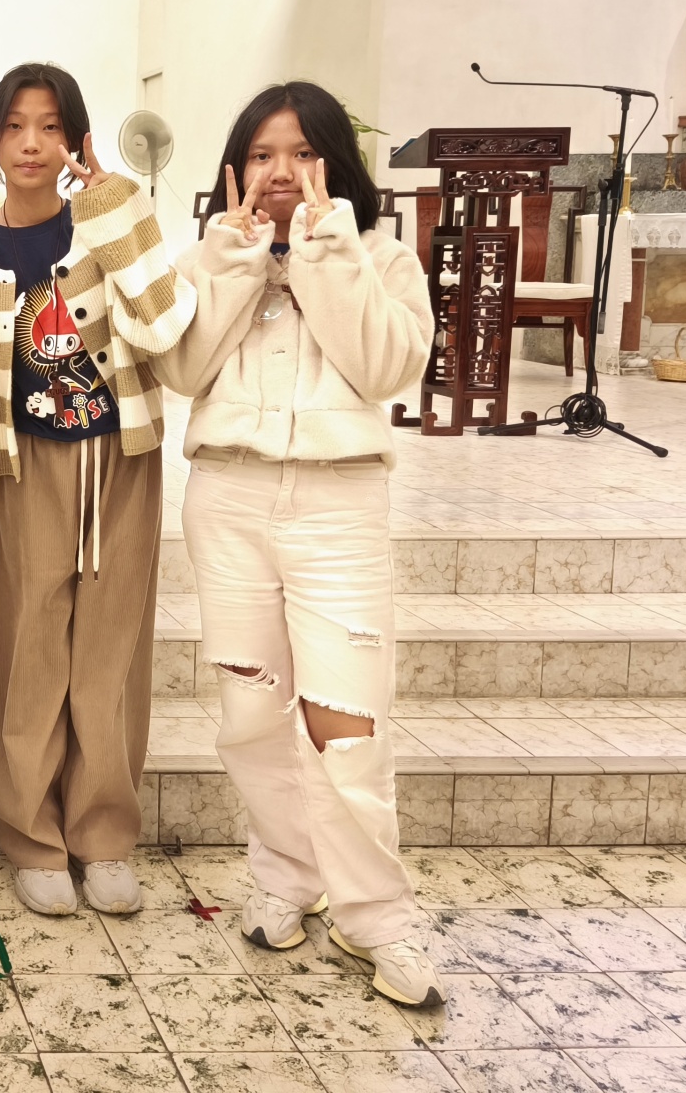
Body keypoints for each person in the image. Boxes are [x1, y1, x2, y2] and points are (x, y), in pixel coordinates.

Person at [158, 80, 439, 1006]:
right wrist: (237, 264)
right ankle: (287, 875)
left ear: (335, 164)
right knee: (249, 715)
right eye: (264, 154)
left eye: (303, 153)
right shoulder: (210, 259)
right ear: (235, 168)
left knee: (345, 726)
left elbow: (385, 367)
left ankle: (377, 918)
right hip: (229, 499)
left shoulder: (380, 258)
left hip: (338, 506)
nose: (282, 171)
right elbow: (182, 367)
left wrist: (325, 255)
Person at [0, 63, 195, 918]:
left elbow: (164, 327)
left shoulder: (104, 229)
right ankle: (31, 836)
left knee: (111, 650)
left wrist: (117, 208)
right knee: (29, 648)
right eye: (15, 126)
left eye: (50, 126)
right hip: (24, 465)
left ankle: (104, 834)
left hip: (121, 459)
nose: (31, 144)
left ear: (74, 139)